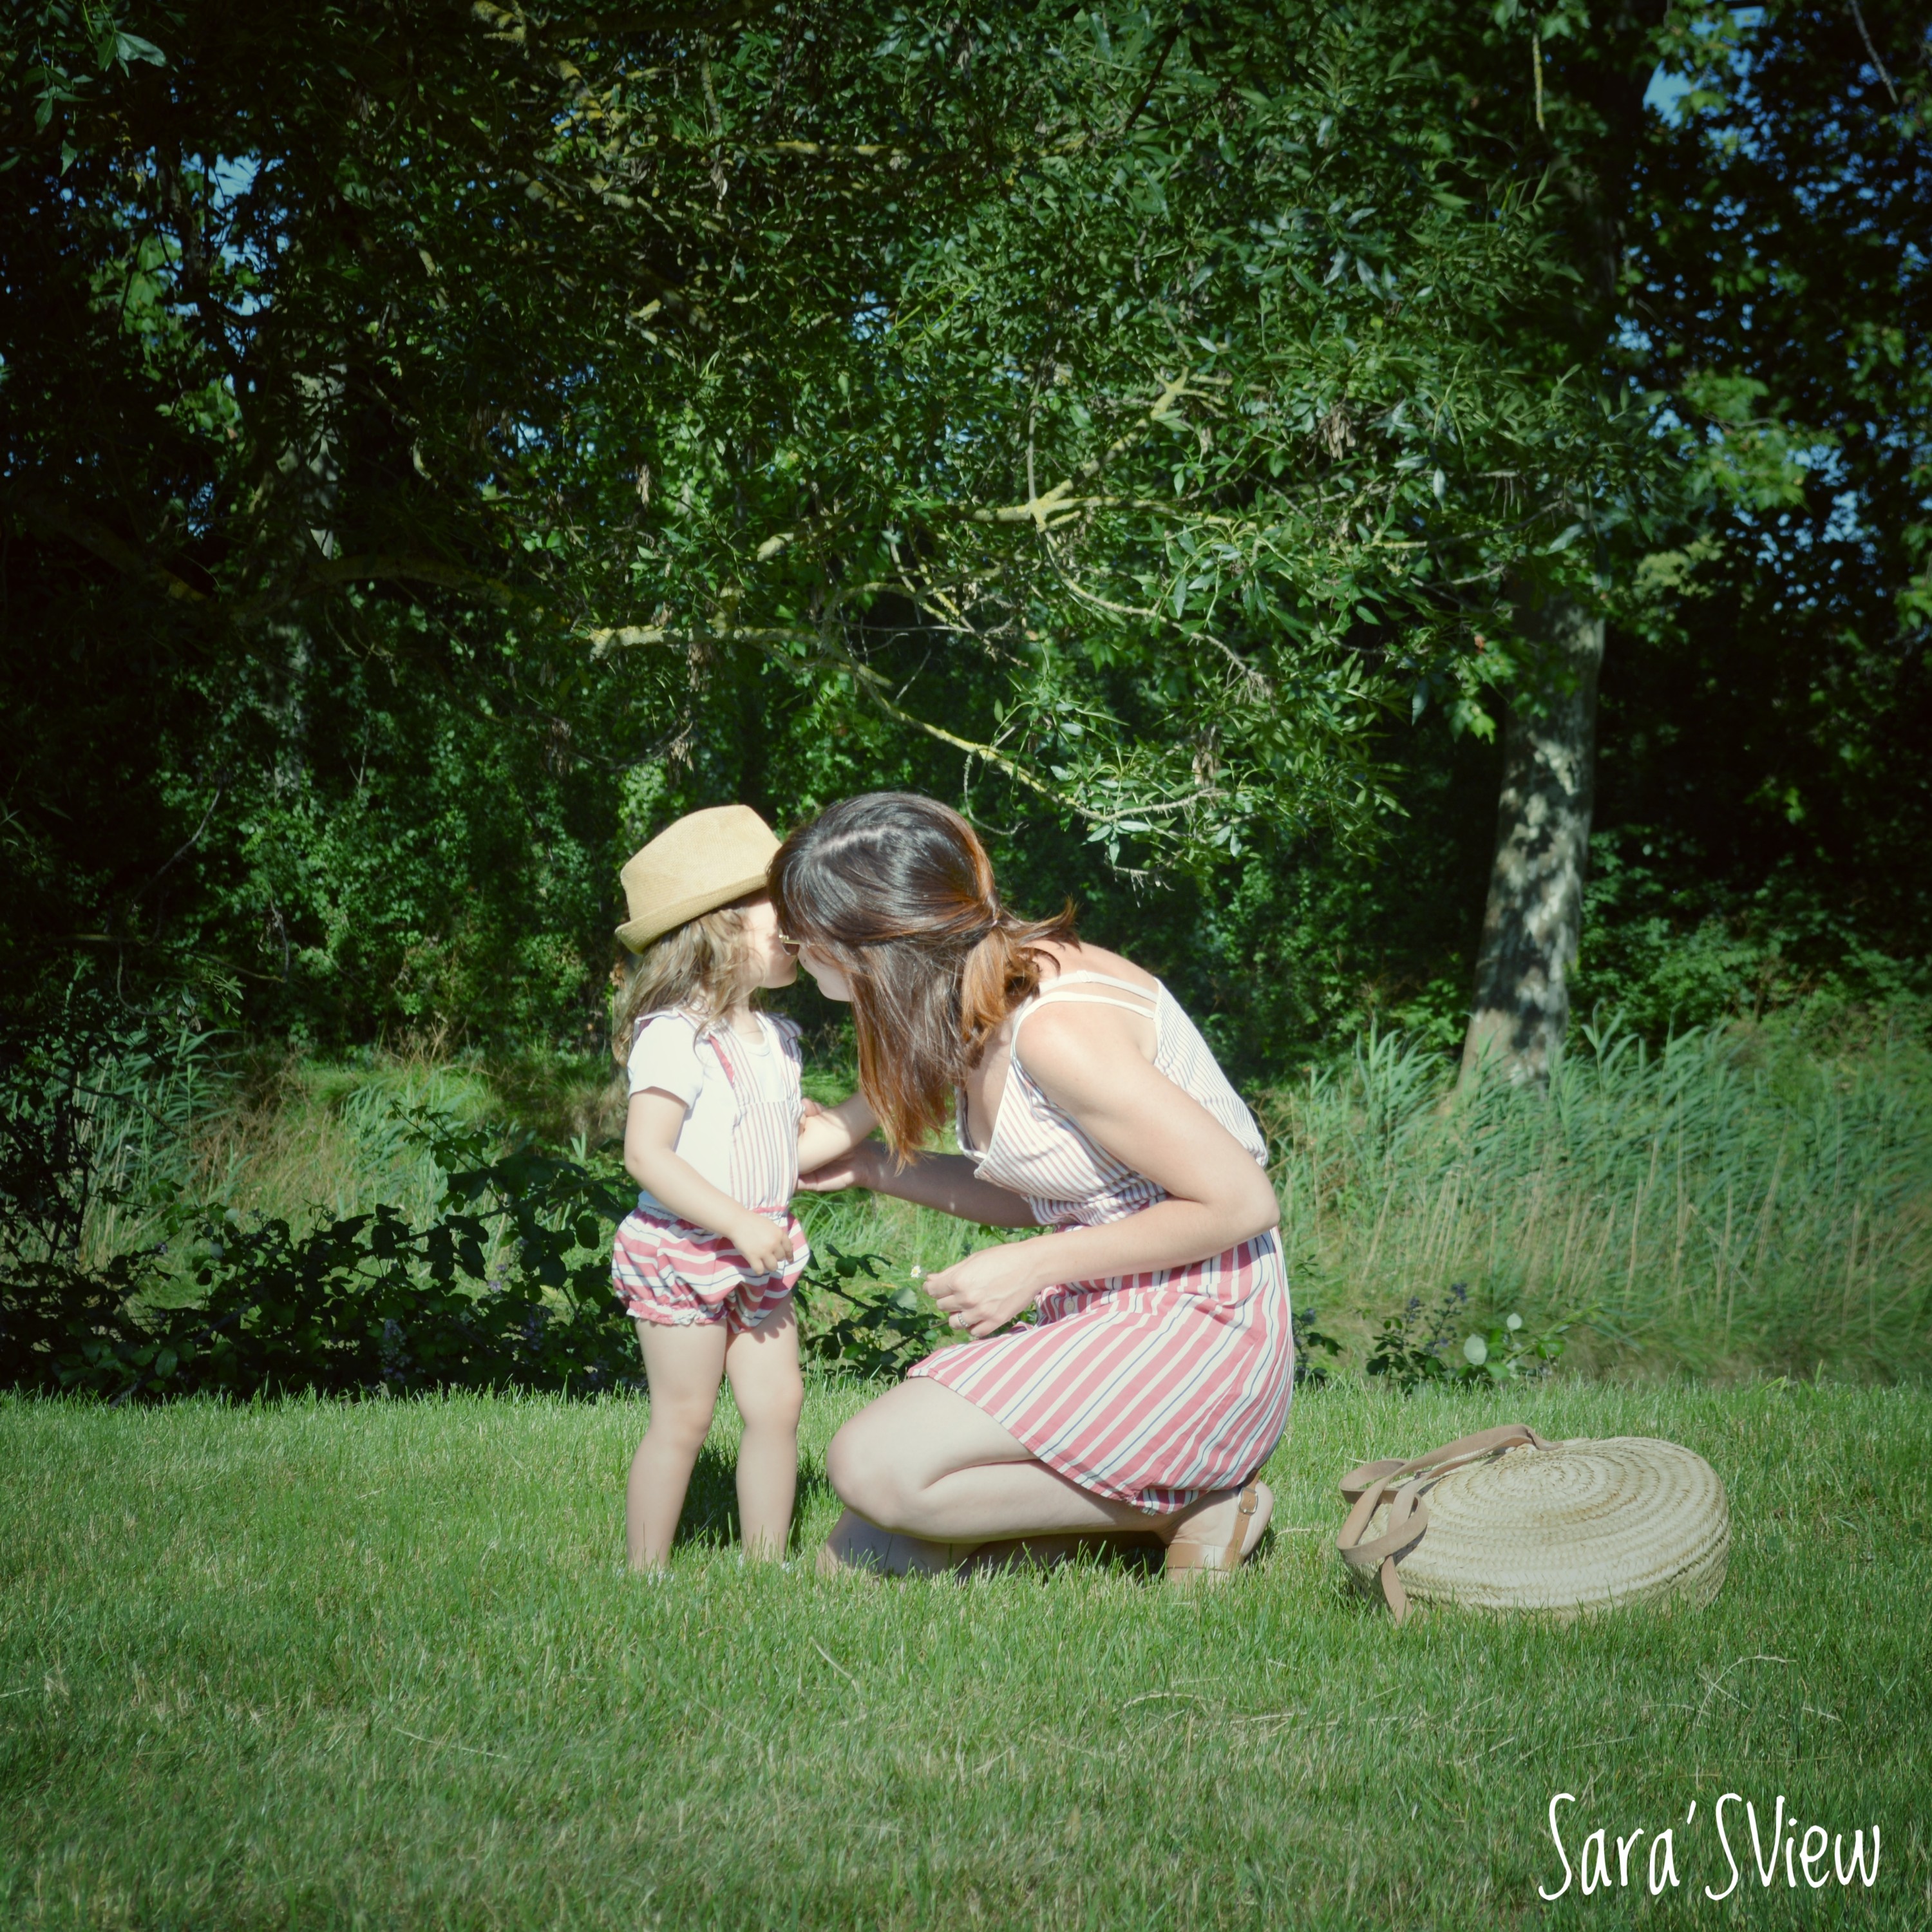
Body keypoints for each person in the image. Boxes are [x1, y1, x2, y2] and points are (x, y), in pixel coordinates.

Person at [772, 791, 1293, 1585]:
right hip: (1113, 1304)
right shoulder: (974, 999)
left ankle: (1197, 1502)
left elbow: (1243, 1202)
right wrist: (875, 1168)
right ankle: (1126, 1518)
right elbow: (1061, 1197)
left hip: (1201, 1322)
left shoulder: (1057, 1031)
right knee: (866, 1555)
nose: (793, 948)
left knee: (872, 1469)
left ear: (872, 947)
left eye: (806, 935)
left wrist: (1034, 1267)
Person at [611, 804, 867, 1571]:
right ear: (720, 928)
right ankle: (644, 1570)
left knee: (777, 1406)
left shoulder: (776, 1040)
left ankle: (766, 1563)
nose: (799, 930)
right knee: (684, 1417)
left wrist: (876, 1105)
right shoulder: (674, 1036)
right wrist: (735, 1221)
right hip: (687, 1249)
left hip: (761, 1249)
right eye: (781, 914)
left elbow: (790, 1153)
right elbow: (647, 1156)